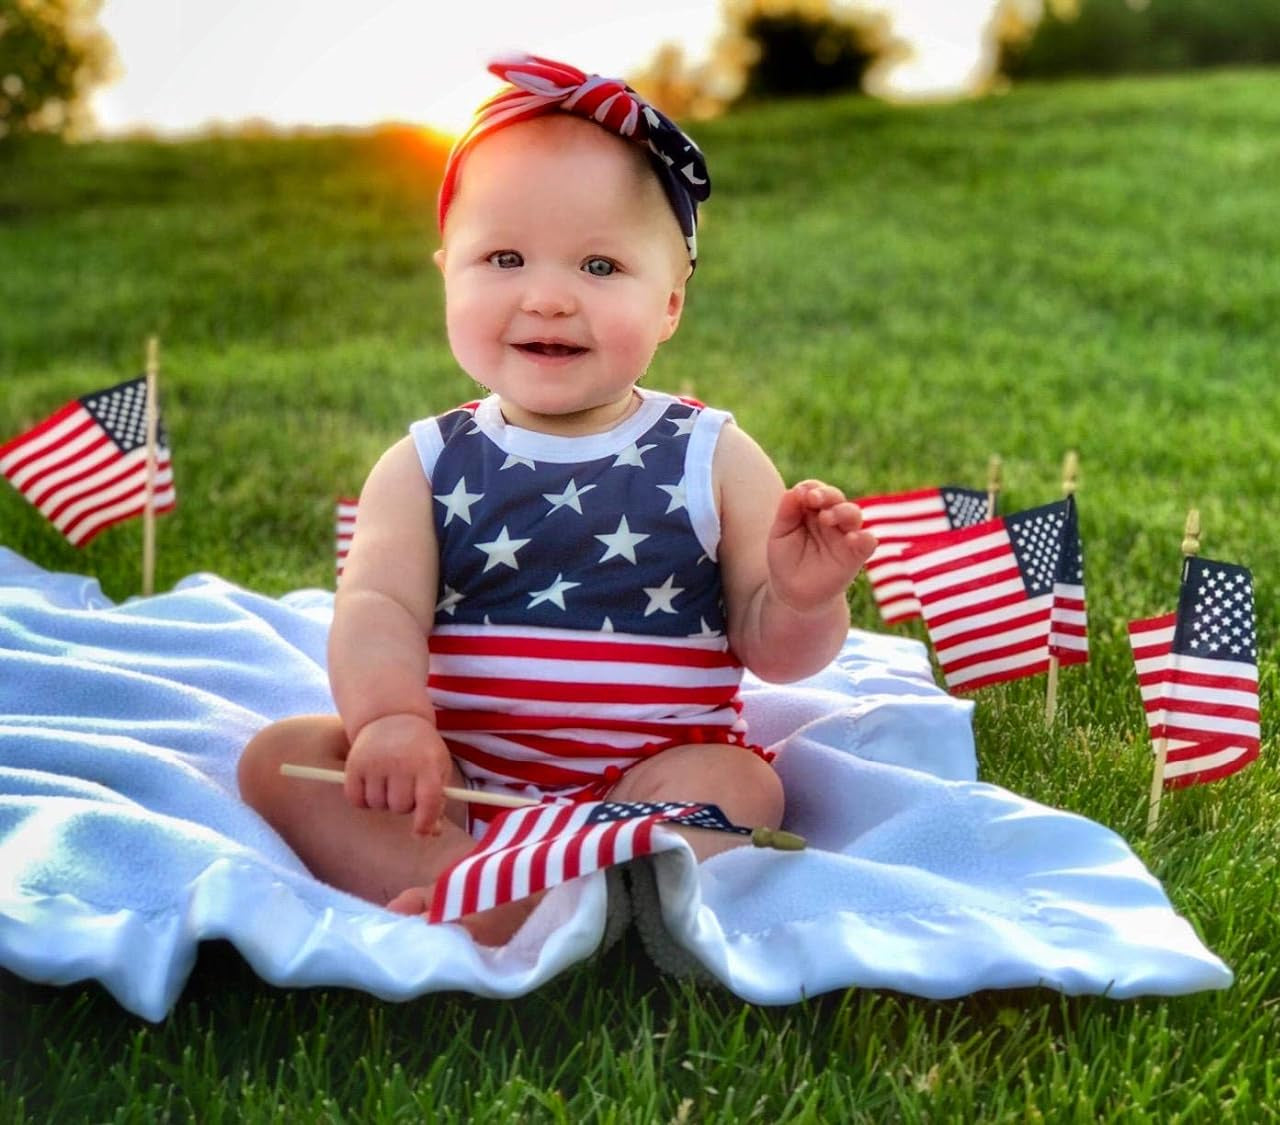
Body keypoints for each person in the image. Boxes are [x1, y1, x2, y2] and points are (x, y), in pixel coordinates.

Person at [237, 56, 877, 946]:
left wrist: (804, 596)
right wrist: (390, 722)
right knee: (282, 760)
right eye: (503, 257)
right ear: (446, 274)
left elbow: (771, 650)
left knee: (744, 787)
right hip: (456, 780)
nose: (547, 297)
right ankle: (471, 881)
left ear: (670, 303)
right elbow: (376, 606)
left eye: (600, 265)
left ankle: (568, 879)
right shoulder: (424, 462)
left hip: (647, 775)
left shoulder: (711, 454)